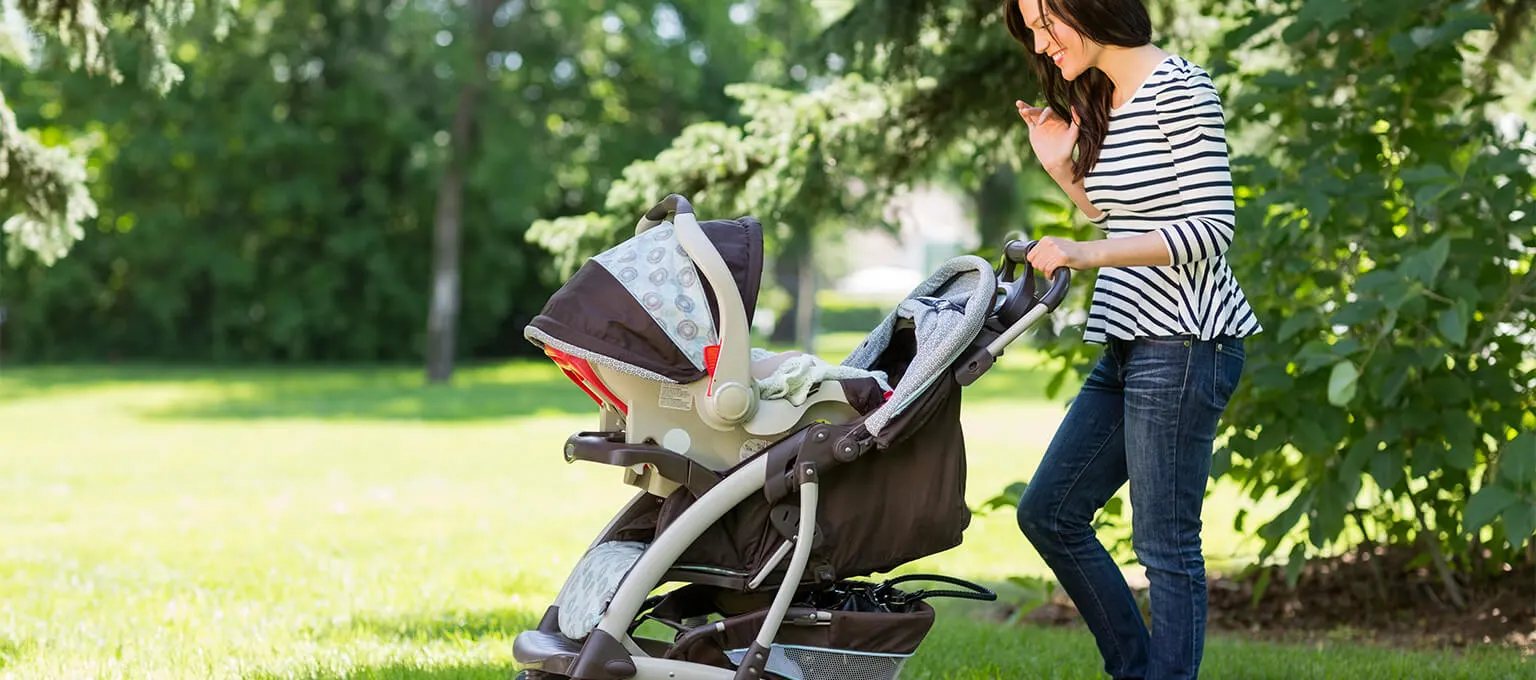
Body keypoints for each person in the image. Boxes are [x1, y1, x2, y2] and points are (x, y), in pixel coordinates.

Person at [1000, 1, 1262, 679]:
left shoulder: (1181, 88)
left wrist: (1084, 254)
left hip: (1184, 341)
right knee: (1049, 513)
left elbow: (1209, 231)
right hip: (1128, 339)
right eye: (1030, 28)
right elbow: (1119, 208)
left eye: (1045, 21)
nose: (1039, 41)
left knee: (1165, 546)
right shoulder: (1106, 96)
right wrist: (1061, 167)